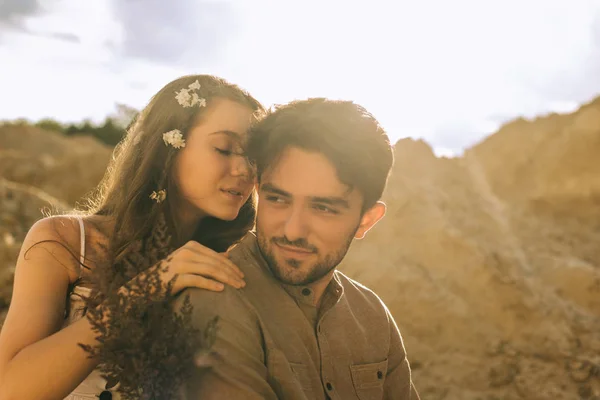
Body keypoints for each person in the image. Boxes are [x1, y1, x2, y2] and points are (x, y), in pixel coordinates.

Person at [0, 74, 264, 400]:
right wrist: (149, 287)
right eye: (225, 148)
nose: (245, 170)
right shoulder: (64, 241)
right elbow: (12, 389)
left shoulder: (237, 260)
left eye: (253, 156)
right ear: (168, 147)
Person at [179, 98, 420, 399]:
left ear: (366, 220)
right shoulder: (212, 297)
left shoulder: (373, 316)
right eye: (277, 199)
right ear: (257, 193)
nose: (292, 231)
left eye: (323, 208)